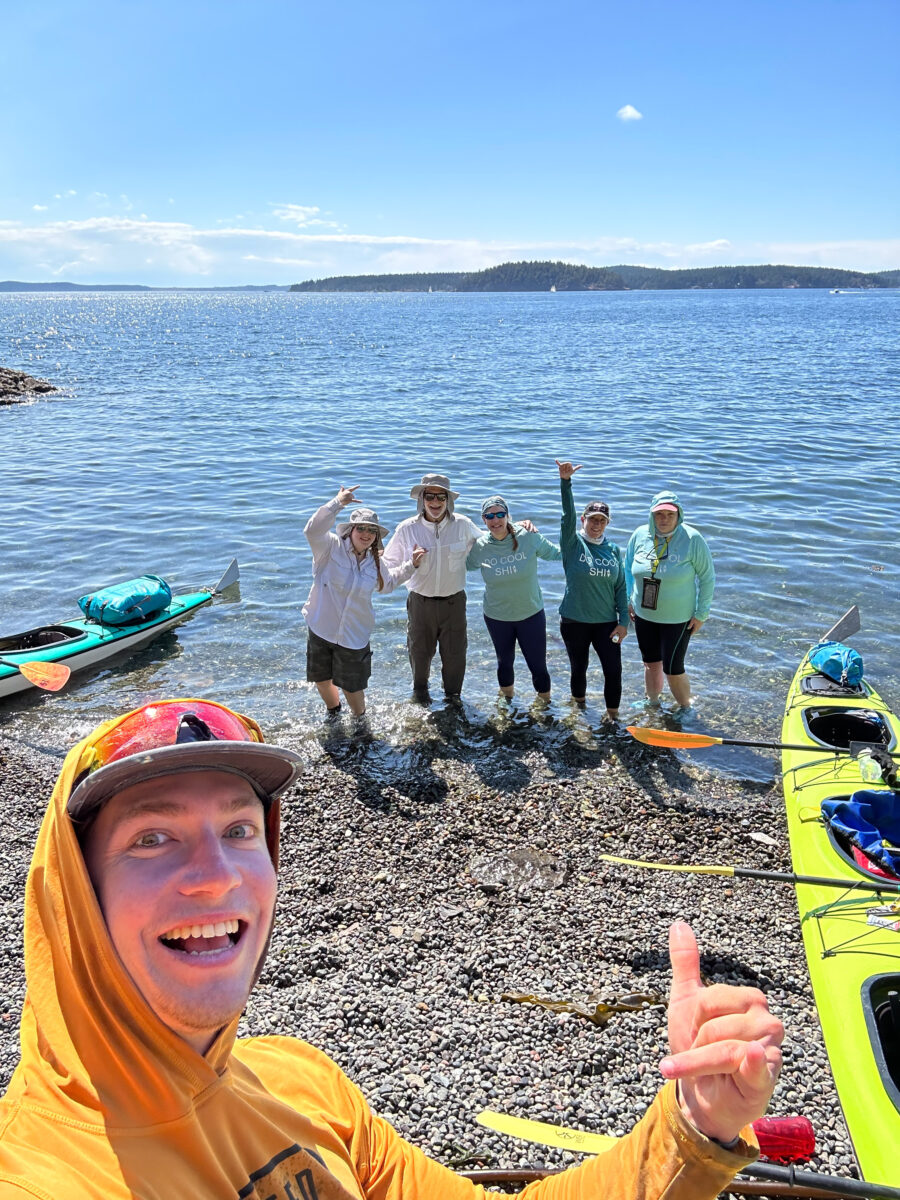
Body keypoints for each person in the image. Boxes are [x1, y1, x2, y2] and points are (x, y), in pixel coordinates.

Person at [0, 696, 783, 1198]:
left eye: (240, 829)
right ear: (76, 894)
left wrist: (693, 1123)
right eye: (153, 838)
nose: (215, 877)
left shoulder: (302, 1087)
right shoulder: (42, 1172)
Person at [303, 486, 425, 718]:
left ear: (376, 537)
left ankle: (360, 722)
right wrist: (338, 502)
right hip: (321, 628)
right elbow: (312, 531)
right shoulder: (329, 547)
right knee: (321, 679)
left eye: (372, 531)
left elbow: (387, 584)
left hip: (354, 635)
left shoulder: (376, 562)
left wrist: (412, 565)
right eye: (362, 528)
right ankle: (334, 713)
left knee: (353, 686)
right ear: (351, 530)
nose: (367, 534)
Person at [381, 473, 483, 702]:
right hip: (420, 603)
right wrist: (410, 564)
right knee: (419, 654)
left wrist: (518, 529)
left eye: (441, 497)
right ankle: (419, 698)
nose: (435, 502)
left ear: (449, 500)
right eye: (430, 496)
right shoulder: (407, 529)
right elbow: (388, 566)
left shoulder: (464, 525)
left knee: (456, 657)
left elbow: (493, 542)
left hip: (454, 603)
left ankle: (454, 701)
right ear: (422, 499)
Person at [625, 490, 716, 712]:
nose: (664, 519)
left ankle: (685, 708)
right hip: (644, 614)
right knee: (650, 663)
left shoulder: (692, 539)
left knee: (673, 668)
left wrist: (701, 614)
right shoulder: (639, 535)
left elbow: (707, 578)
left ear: (679, 516)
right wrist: (628, 600)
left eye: (670, 515)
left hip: (678, 618)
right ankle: (652, 702)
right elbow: (627, 569)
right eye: (659, 514)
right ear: (651, 515)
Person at [466, 494, 561, 700]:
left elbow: (556, 553)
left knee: (538, 666)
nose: (495, 520)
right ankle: (507, 705)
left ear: (508, 515)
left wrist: (583, 542)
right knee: (504, 663)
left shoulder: (528, 536)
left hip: (531, 613)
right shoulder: (480, 546)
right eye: (489, 516)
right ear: (483, 520)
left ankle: (545, 707)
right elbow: (461, 566)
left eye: (500, 514)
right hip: (497, 616)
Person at [556, 461, 629, 720]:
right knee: (579, 668)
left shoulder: (613, 550)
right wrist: (566, 483)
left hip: (606, 624)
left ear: (607, 523)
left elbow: (621, 587)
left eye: (602, 520)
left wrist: (624, 622)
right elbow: (567, 518)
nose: (596, 524)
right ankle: (580, 710)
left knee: (613, 670)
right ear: (584, 519)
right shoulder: (573, 543)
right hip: (574, 621)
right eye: (592, 519)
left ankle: (613, 717)